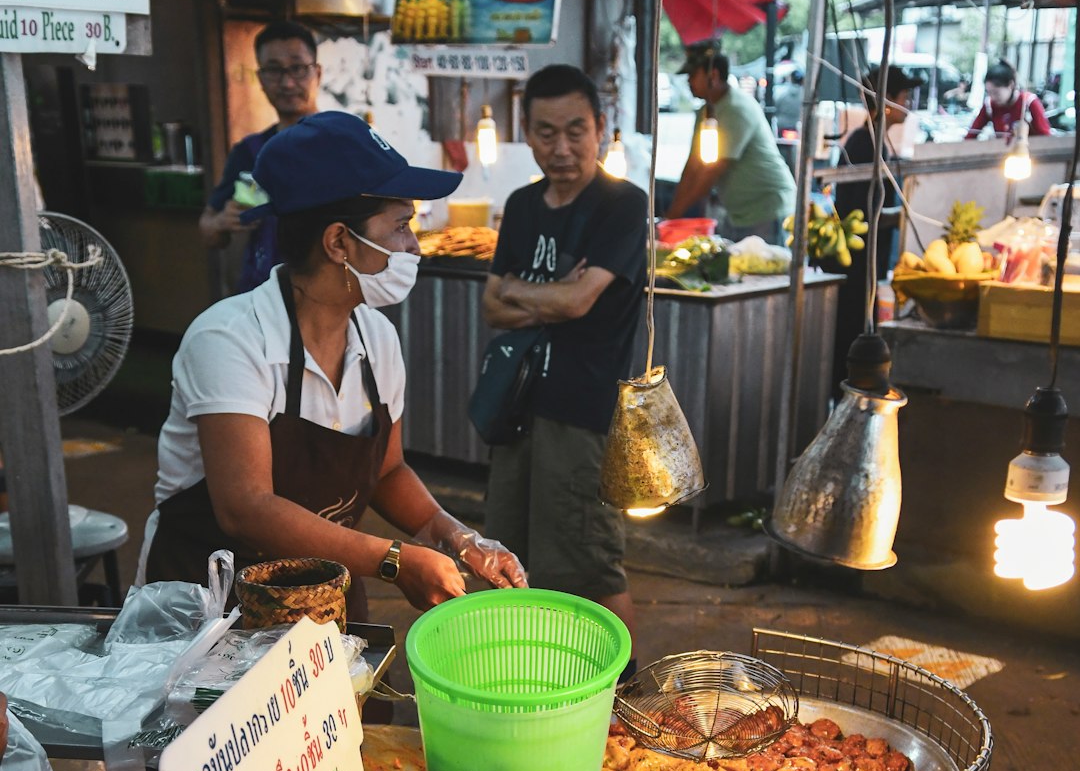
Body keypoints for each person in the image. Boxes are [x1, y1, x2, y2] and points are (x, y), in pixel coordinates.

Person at [143, 113, 526, 618]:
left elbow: (387, 470)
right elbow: (245, 507)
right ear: (338, 242)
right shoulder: (230, 339)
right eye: (401, 226)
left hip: (324, 590)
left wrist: (454, 534)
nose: (414, 246)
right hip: (209, 605)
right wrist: (393, 560)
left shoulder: (378, 338)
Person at [481, 64, 648, 672]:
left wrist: (528, 294)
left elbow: (576, 302)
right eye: (546, 132)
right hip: (517, 407)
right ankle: (532, 679)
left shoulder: (623, 205)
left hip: (582, 412)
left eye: (576, 130)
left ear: (601, 129)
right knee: (508, 555)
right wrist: (552, 297)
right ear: (526, 134)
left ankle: (627, 694)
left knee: (588, 561)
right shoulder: (524, 205)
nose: (562, 147)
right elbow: (490, 306)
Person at [199, 20, 322, 293]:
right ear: (261, 79)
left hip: (330, 296)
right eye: (274, 70)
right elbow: (208, 231)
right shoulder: (249, 152)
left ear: (318, 74)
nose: (287, 82)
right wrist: (222, 221)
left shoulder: (343, 144)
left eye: (298, 68)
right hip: (264, 298)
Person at [829, 65, 914, 389]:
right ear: (886, 100)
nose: (908, 102)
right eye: (904, 95)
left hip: (869, 265)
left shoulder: (876, 140)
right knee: (852, 338)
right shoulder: (864, 145)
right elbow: (860, 211)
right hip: (857, 265)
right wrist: (899, 216)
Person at [666, 43, 796, 240]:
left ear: (714, 75)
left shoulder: (736, 109)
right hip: (738, 214)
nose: (689, 81)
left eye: (693, 75)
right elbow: (692, 166)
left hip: (768, 210)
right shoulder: (706, 112)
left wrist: (673, 217)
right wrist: (671, 216)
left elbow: (711, 171)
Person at [965, 59, 1051, 143]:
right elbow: (971, 136)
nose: (993, 97)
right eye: (989, 93)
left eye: (996, 93)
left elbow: (1046, 139)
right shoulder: (990, 105)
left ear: (1011, 85)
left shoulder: (1029, 103)